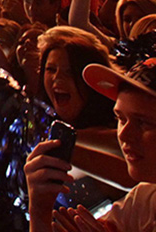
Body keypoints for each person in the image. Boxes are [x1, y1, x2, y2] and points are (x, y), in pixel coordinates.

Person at [25, 56, 156, 231]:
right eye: (121, 119)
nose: (124, 134)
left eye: (143, 122)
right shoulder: (145, 199)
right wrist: (39, 211)